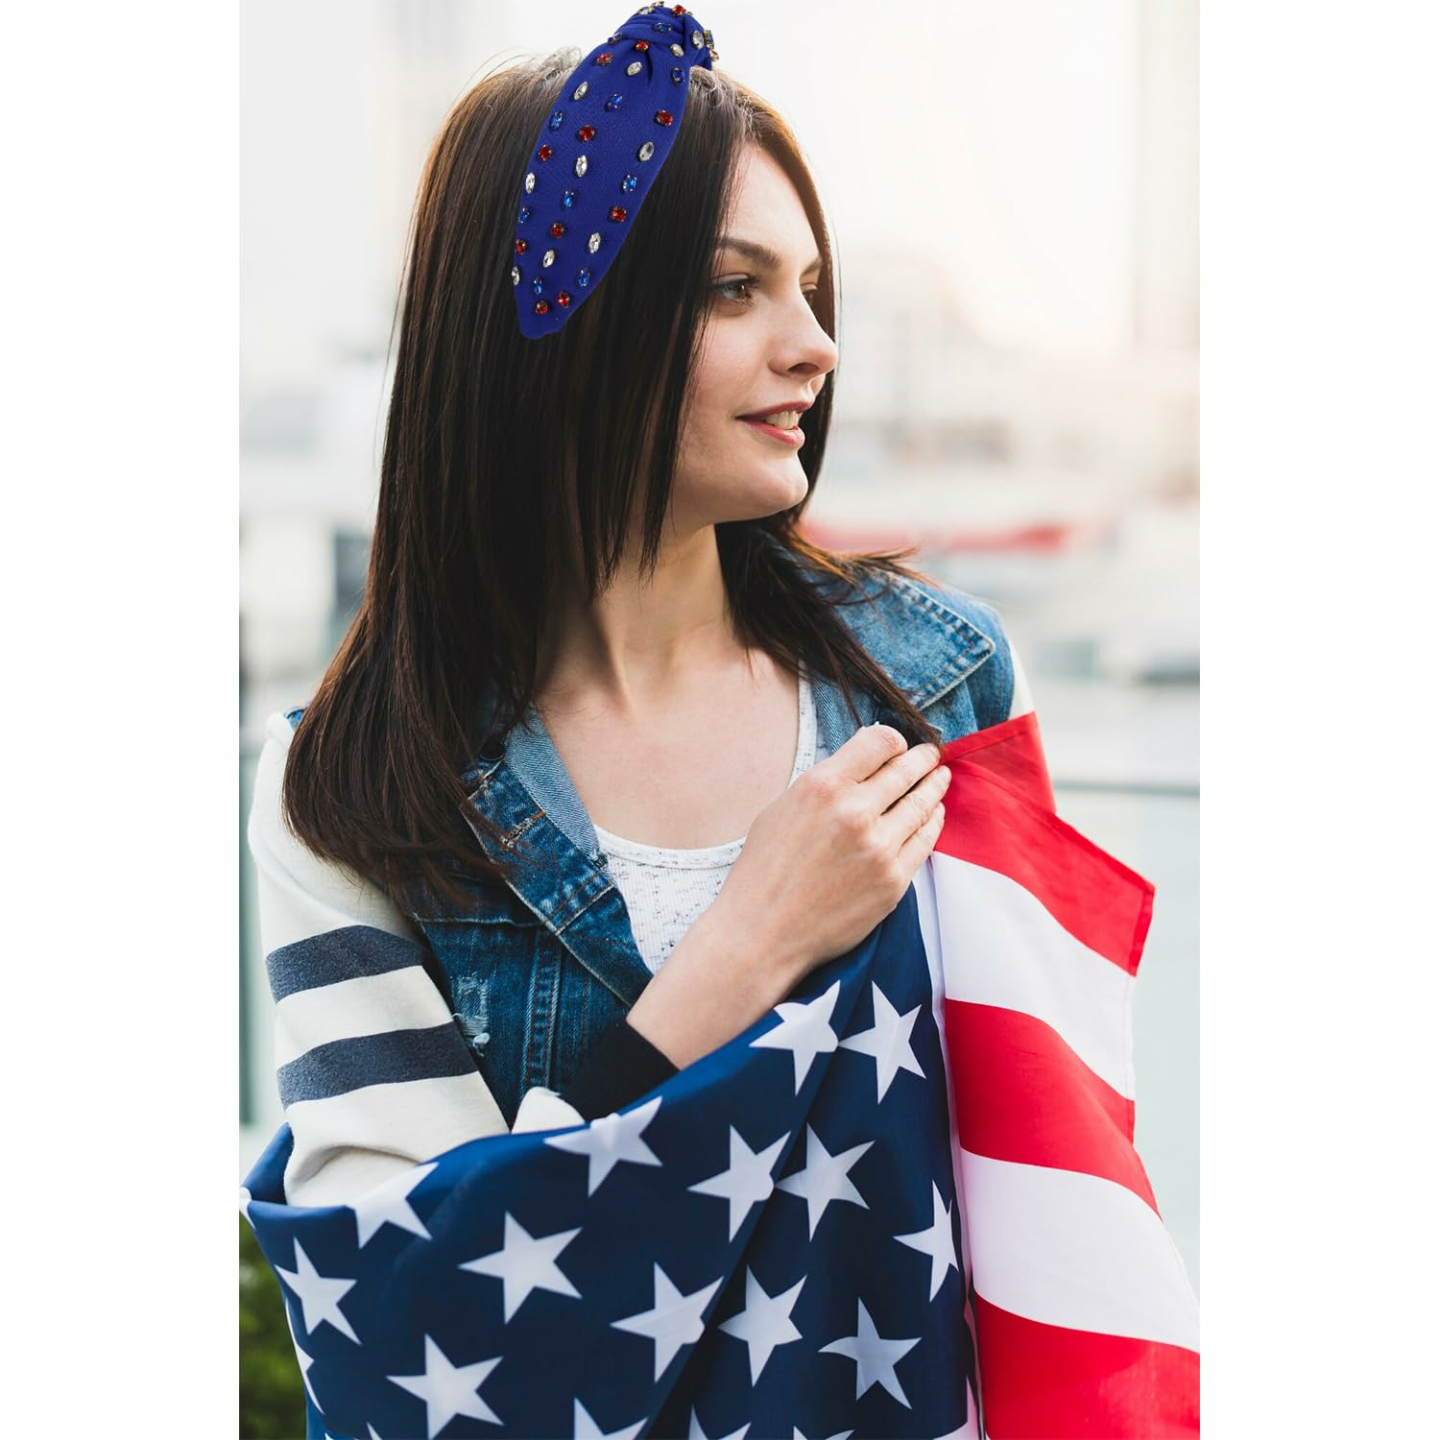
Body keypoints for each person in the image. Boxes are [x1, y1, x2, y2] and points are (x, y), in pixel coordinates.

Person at [247, 15, 1035, 1212]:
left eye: (812, 291)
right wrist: (744, 948)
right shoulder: (351, 790)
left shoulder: (942, 682)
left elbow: (1046, 1169)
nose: (815, 347)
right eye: (735, 289)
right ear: (563, 332)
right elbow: (410, 1300)